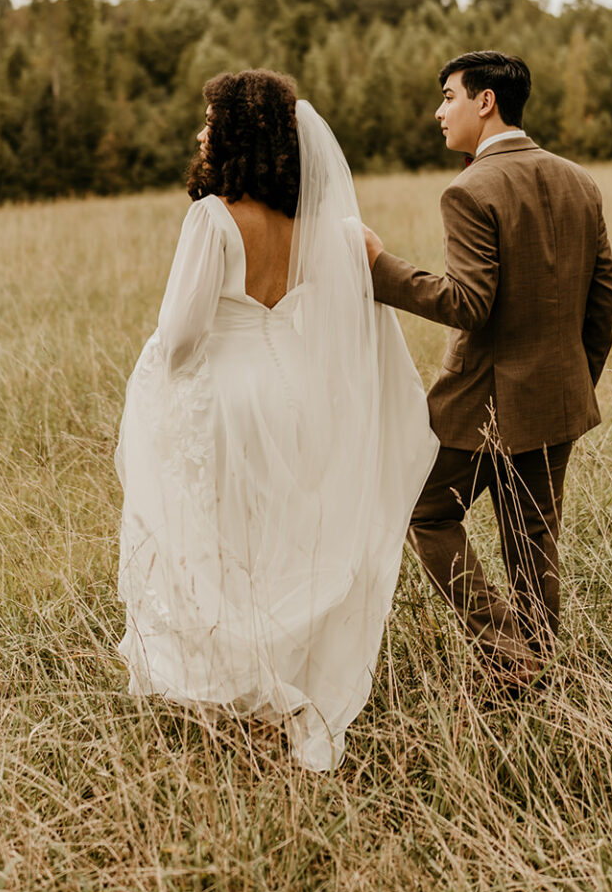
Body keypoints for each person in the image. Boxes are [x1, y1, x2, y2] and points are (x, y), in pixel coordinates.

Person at [116, 69, 436, 770]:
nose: (201, 132)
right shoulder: (317, 225)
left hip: (228, 396)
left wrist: (157, 382)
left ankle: (242, 694)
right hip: (290, 392)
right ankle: (281, 689)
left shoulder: (213, 218)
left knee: (217, 545)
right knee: (281, 544)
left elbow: (178, 334)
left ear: (234, 133)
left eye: (209, 120)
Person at [364, 50, 612, 691]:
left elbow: (468, 304)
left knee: (424, 510)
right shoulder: (578, 180)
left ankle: (508, 652)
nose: (438, 110)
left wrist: (378, 267)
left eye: (448, 95)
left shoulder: (469, 189)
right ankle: (533, 674)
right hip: (559, 399)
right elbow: (606, 296)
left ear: (486, 101)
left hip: (481, 405)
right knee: (533, 540)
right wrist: (574, 379)